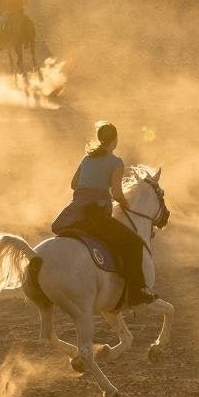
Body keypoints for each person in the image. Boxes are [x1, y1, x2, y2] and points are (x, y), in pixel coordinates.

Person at [51, 122, 155, 307]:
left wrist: (89, 187)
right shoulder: (116, 162)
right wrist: (126, 204)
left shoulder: (86, 159)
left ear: (100, 139)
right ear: (115, 140)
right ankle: (137, 292)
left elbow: (74, 184)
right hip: (98, 212)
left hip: (76, 210)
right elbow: (116, 193)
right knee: (133, 243)